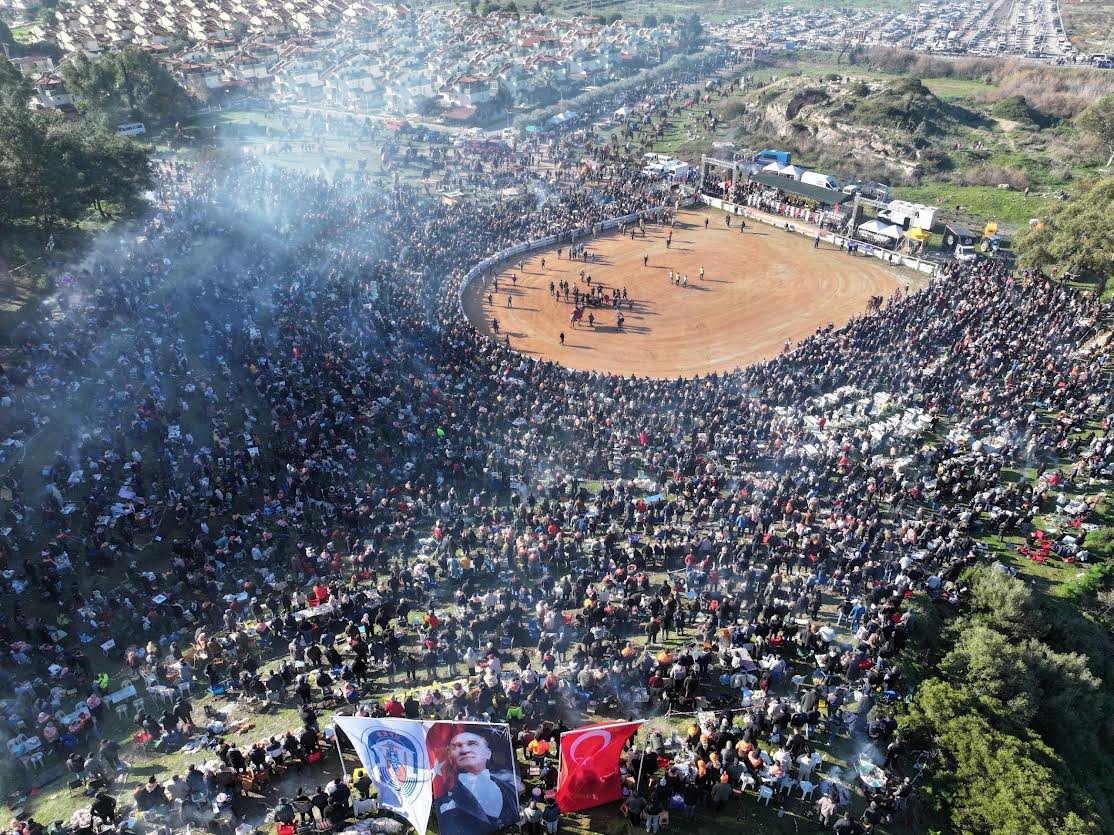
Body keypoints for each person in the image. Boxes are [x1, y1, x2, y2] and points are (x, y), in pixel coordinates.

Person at [433, 730, 519, 835]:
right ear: (450, 758)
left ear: (488, 753)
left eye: (472, 744)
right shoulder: (444, 801)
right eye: (456, 746)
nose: (464, 750)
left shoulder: (509, 788)